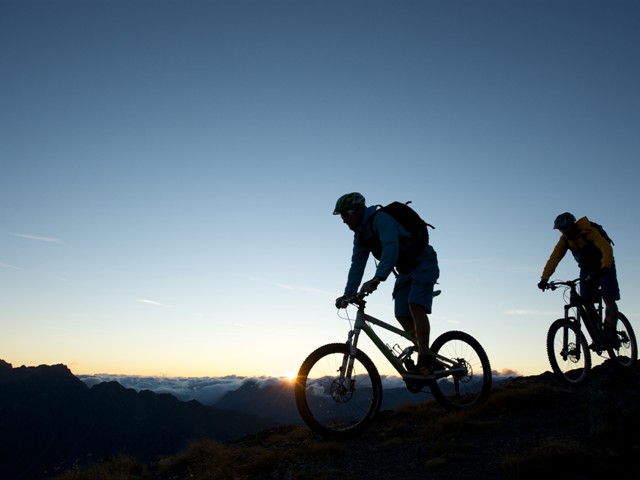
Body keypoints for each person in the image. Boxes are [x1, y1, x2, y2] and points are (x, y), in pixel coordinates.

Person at [333, 192, 440, 380]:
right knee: (401, 313)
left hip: (424, 262)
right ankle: (429, 354)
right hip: (405, 270)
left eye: (346, 215)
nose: (344, 221)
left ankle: (424, 359)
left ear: (358, 210)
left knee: (415, 304)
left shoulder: (381, 219)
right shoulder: (361, 235)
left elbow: (392, 245)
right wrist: (348, 293)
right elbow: (357, 264)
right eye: (342, 217)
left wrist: (377, 278)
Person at [538, 212, 621, 347]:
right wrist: (544, 279)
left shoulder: (589, 231)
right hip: (587, 269)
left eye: (565, 228)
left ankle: (611, 331)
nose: (563, 231)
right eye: (561, 229)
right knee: (586, 302)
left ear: (572, 225)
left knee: (608, 297)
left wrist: (605, 266)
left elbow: (605, 247)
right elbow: (554, 258)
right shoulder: (564, 240)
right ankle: (597, 336)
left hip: (604, 264)